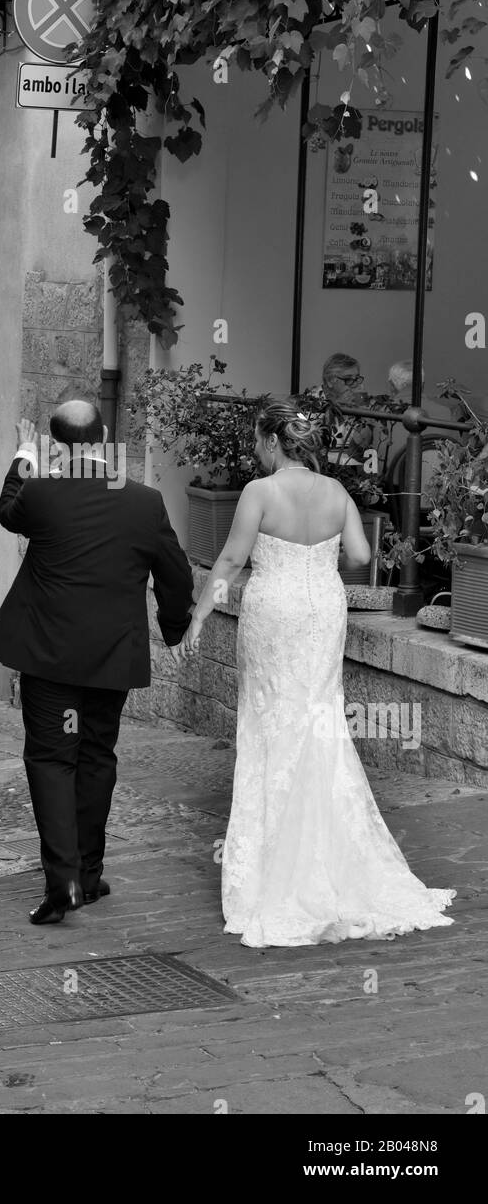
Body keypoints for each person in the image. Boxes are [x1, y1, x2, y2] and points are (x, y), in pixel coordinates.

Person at [177, 398, 456, 948]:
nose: (257, 449)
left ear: (275, 441)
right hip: (323, 610)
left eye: (259, 440)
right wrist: (316, 555)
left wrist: (199, 616)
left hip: (274, 609)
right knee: (318, 716)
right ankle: (333, 859)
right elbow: (357, 552)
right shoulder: (337, 492)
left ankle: (277, 871)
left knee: (271, 722)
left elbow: (230, 562)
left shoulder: (260, 493)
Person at [0, 400, 194, 925]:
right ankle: (90, 872)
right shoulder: (144, 501)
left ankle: (65, 883)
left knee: (53, 760)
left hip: (50, 655)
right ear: (104, 440)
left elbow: (9, 510)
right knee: (97, 756)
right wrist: (174, 629)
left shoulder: (41, 494)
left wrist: (25, 456)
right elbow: (175, 572)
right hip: (111, 656)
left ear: (58, 446)